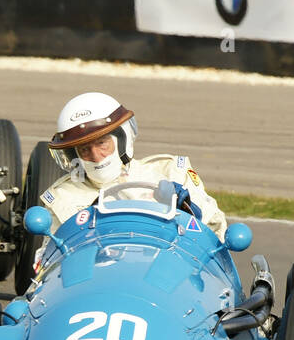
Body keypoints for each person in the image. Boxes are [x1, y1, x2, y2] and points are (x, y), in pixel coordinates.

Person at [40, 91, 227, 240]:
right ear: (74, 155)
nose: (96, 156)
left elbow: (216, 233)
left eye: (102, 143)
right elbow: (48, 263)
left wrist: (190, 209)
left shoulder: (171, 172)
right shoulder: (63, 197)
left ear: (122, 139)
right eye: (84, 149)